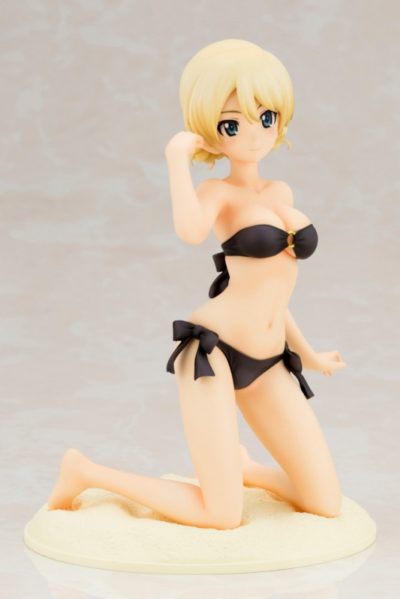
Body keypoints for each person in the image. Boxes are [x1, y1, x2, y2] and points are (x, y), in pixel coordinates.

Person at [47, 39, 346, 530]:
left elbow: (271, 291)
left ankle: (247, 470)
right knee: (221, 515)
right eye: (232, 125)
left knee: (326, 502)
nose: (253, 135)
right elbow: (189, 230)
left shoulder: (281, 192)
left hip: (271, 359)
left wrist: (308, 355)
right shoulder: (217, 193)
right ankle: (86, 472)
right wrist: (175, 158)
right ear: (211, 130)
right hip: (213, 353)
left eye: (265, 117)